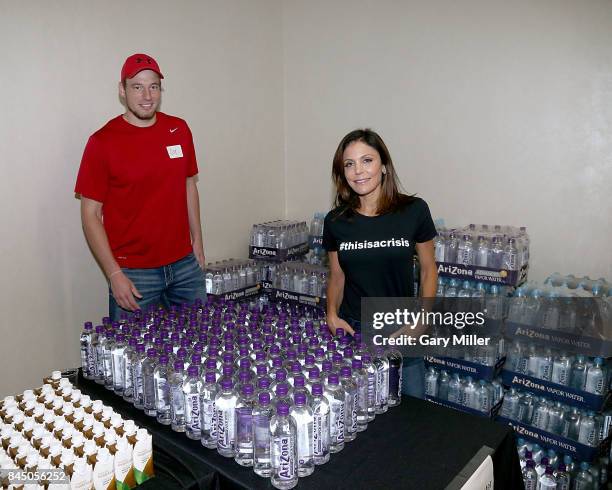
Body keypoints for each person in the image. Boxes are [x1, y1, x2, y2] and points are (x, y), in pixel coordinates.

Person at [75, 53, 206, 320]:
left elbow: (188, 185)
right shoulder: (102, 142)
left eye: (153, 86)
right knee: (134, 357)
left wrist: (198, 242)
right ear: (122, 91)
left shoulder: (179, 129)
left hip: (184, 267)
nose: (147, 96)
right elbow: (90, 215)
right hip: (134, 274)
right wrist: (114, 274)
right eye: (137, 87)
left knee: (198, 350)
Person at [322, 128, 438, 397]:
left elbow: (429, 268)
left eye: (367, 160)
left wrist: (422, 320)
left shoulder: (414, 210)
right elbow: (337, 276)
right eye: (349, 164)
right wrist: (331, 314)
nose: (358, 171)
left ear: (384, 166)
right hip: (357, 331)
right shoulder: (336, 221)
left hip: (403, 329)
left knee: (412, 415)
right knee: (361, 418)